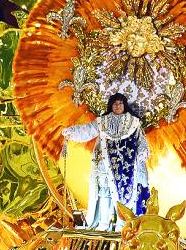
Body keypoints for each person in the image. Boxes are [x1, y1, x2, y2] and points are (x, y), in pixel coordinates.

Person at [61, 93, 149, 231]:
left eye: (120, 103)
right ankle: (103, 223)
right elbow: (88, 130)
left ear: (124, 105)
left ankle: (122, 225)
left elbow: (141, 140)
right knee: (104, 192)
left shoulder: (134, 122)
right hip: (104, 163)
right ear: (111, 106)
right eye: (115, 103)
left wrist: (143, 151)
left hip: (126, 167)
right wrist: (71, 132)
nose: (118, 106)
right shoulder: (103, 121)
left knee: (125, 195)